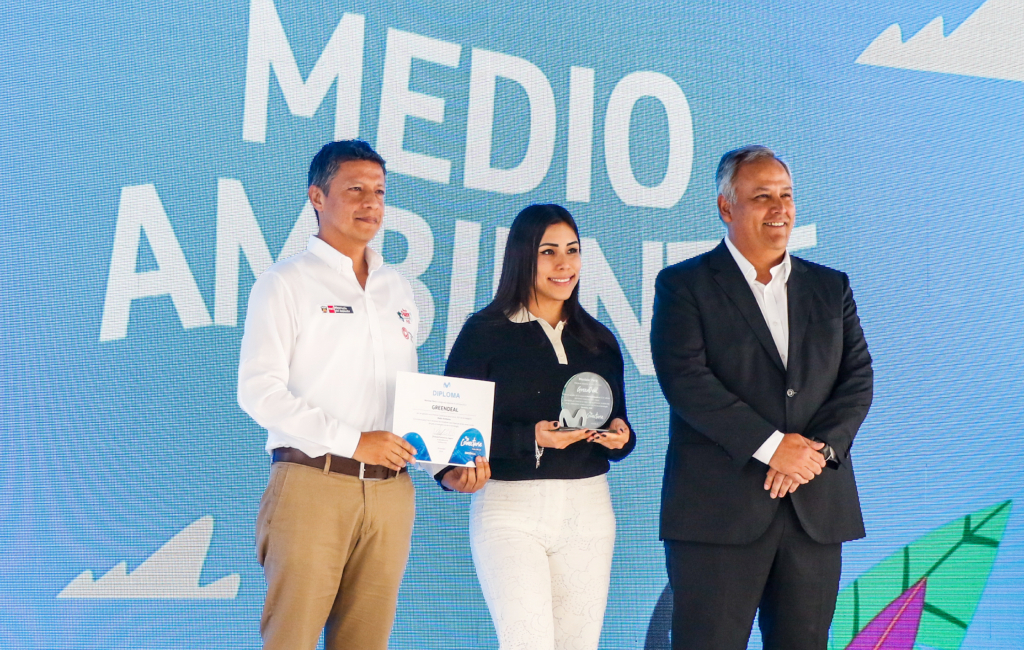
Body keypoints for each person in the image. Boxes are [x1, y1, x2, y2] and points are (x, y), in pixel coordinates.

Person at [650, 145, 873, 650]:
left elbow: (857, 379)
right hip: (718, 515)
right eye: (762, 196)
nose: (780, 209)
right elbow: (686, 381)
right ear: (725, 207)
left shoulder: (831, 287)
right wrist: (773, 448)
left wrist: (813, 454)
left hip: (814, 511)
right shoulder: (683, 285)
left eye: (786, 195)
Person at [237, 140, 421, 650]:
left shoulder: (397, 288)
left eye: (379, 192)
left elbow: (406, 398)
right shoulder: (285, 283)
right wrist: (353, 441)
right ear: (317, 197)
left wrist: (445, 465)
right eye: (355, 189)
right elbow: (257, 391)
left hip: (391, 494)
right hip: (312, 484)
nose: (371, 203)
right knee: (291, 640)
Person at [438, 204, 637, 650]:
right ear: (522, 256)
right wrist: (528, 438)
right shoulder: (484, 332)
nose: (564, 264)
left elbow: (619, 427)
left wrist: (620, 439)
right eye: (549, 252)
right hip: (509, 509)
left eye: (572, 250)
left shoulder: (599, 339)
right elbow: (449, 432)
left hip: (588, 511)